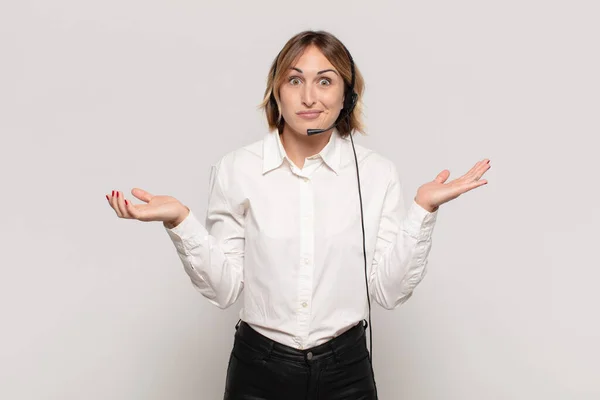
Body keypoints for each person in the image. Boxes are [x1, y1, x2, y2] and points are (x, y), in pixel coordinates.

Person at [106, 30, 491, 400]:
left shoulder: (376, 174)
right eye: (295, 81)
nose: (309, 97)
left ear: (348, 95)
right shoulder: (236, 169)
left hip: (347, 370)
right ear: (277, 91)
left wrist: (423, 210)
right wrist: (180, 221)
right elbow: (224, 290)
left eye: (325, 81)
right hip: (258, 368)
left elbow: (388, 293)